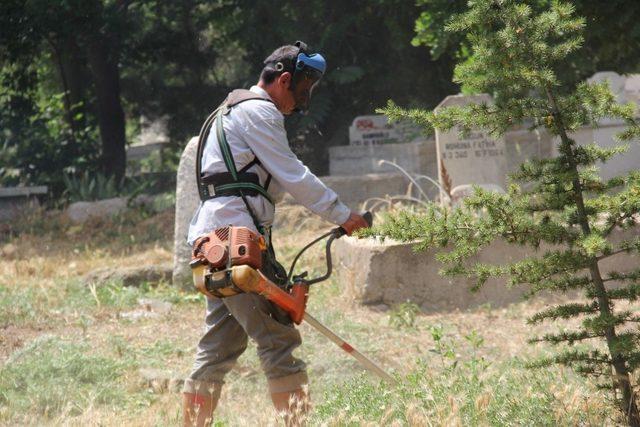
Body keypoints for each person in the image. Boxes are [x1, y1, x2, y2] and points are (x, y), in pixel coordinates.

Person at [182, 42, 369, 426]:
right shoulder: (259, 111)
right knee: (278, 340)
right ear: (284, 80)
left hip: (216, 241)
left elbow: (264, 184)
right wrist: (342, 214)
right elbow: (292, 174)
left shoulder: (228, 111)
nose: (305, 99)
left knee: (219, 347)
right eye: (304, 89)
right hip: (236, 240)